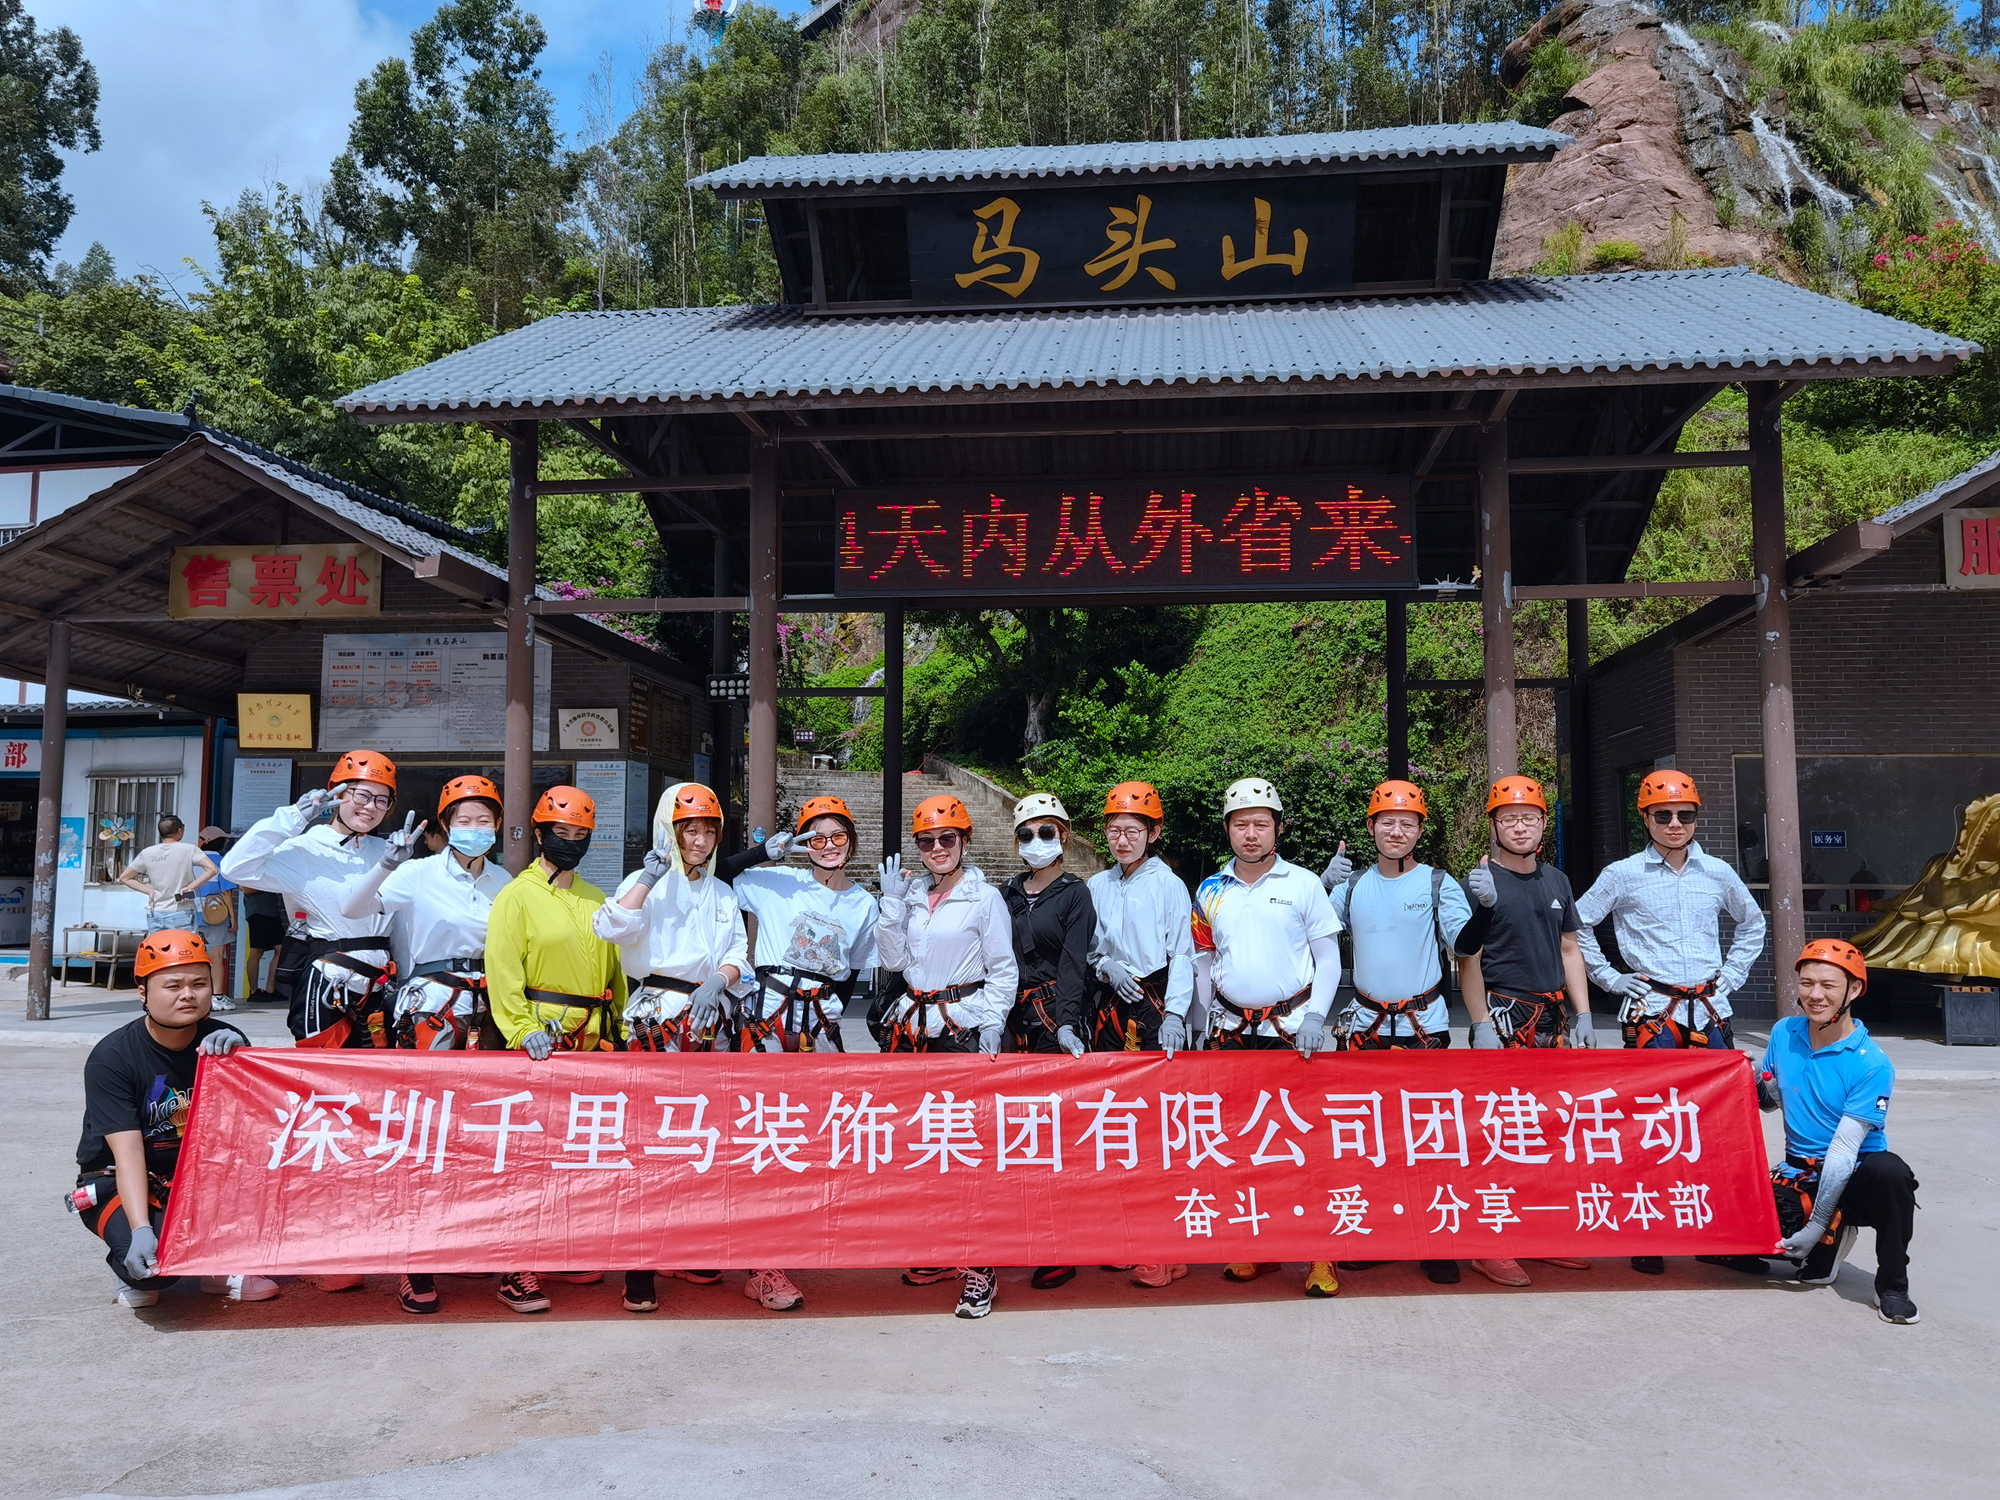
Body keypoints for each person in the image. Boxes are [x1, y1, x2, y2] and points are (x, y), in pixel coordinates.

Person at [1573, 768, 1767, 1275]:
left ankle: (1721, 1235)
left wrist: (1731, 977)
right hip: (1652, 1014)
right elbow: (1576, 923)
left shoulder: (1718, 873)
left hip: (1710, 1011)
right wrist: (1610, 978)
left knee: (1719, 1127)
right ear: (1645, 818)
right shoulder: (1622, 875)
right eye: (1664, 815)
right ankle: (1649, 1233)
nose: (1675, 823)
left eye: (1685, 814)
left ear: (1696, 817)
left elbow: (1752, 923)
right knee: (1650, 1126)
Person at [337, 775, 509, 1316]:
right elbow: (352, 908)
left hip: (491, 1010)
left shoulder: (504, 880)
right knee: (427, 1130)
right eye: (464, 820)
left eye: (484, 821)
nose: (475, 829)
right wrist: (386, 865)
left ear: (498, 826)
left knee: (486, 1130)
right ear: (445, 826)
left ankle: (483, 1248)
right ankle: (417, 1262)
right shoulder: (417, 872)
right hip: (433, 1007)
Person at [597, 784, 768, 1309]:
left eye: (709, 831)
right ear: (669, 832)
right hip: (658, 1019)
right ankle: (639, 1269)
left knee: (704, 1140)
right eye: (689, 830)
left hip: (710, 1020)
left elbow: (739, 952)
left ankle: (691, 1247)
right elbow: (611, 927)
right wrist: (647, 880)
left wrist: (720, 978)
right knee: (651, 1143)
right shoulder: (646, 882)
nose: (700, 840)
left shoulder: (722, 893)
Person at [1319, 779, 1486, 1288]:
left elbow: (1464, 946)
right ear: (1371, 827)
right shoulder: (1351, 888)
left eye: (1407, 823)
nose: (1396, 831)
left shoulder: (1437, 883)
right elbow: (1311, 936)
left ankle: (1434, 1242)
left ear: (1419, 830)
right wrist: (1321, 888)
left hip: (1423, 1028)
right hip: (1366, 1027)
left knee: (1429, 1140)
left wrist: (1486, 909)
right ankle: (1377, 1238)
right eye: (1387, 822)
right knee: (1369, 1141)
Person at [72, 929, 277, 1309]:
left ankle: (220, 1269)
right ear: (143, 992)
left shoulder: (224, 1040)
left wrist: (243, 1060)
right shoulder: (112, 1058)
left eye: (199, 984)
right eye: (173, 986)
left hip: (200, 1176)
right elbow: (129, 1153)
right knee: (157, 1272)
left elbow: (247, 1130)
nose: (188, 995)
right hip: (120, 1177)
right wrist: (140, 1229)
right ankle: (130, 1259)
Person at [1193, 776, 1342, 1298]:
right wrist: (1199, 1021)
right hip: (1232, 1031)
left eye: (1261, 823)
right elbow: (1204, 961)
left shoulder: (1303, 883)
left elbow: (1328, 958)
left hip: (1292, 1031)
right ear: (1227, 830)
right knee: (1241, 1142)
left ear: (1278, 828)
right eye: (1241, 824)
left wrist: (1317, 1017)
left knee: (1305, 1144)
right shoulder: (1210, 890)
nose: (1251, 833)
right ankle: (1255, 1244)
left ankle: (1321, 1255)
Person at [485, 785, 629, 1315]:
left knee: (579, 1152)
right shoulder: (517, 896)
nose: (570, 842)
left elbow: (614, 973)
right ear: (540, 834)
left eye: (579, 834)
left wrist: (620, 1027)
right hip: (540, 1043)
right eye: (561, 832)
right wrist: (522, 1029)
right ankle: (515, 1266)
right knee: (527, 1158)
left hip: (591, 1041)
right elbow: (502, 970)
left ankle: (564, 1248)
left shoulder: (596, 897)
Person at [875, 793, 1018, 1320]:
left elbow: (1003, 967)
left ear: (964, 841)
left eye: (947, 838)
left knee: (968, 1148)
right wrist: (892, 905)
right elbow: (893, 960)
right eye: (926, 841)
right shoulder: (914, 896)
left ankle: (981, 1267)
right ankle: (939, 1247)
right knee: (925, 1143)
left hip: (961, 1027)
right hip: (915, 1028)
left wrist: (993, 1021)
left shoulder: (985, 898)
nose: (937, 848)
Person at [1452, 775, 1595, 1289]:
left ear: (1542, 824)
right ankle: (1491, 1245)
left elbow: (1569, 949)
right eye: (1509, 819)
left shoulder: (1557, 881)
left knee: (1547, 1132)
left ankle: (1538, 1233)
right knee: (1499, 1135)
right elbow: (1468, 959)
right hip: (1505, 1017)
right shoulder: (1480, 883)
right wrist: (1480, 1023)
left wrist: (1583, 1013)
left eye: (1529, 818)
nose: (1519, 827)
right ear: (1493, 826)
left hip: (1553, 1021)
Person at [1748, 939, 1918, 1322]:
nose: (1815, 995)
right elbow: (1771, 1101)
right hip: (1800, 1172)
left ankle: (1893, 1286)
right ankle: (1828, 1245)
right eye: (1807, 983)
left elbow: (1842, 1151)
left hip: (1853, 1174)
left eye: (1828, 985)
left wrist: (1815, 1225)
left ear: (1853, 990)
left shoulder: (1871, 1064)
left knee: (1891, 1174)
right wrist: (1750, 1075)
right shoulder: (1784, 1033)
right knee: (1725, 1242)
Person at [221, 752, 401, 1055]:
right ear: (338, 794)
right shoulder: (304, 848)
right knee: (323, 1066)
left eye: (382, 800)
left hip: (381, 984)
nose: (371, 807)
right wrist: (292, 817)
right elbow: (235, 868)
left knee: (380, 1068)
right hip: (329, 981)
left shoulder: (387, 851)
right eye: (362, 795)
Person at [1000, 793, 1093, 1291]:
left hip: (1055, 1014)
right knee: (1012, 1131)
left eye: (1046, 831)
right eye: (1027, 834)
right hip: (1011, 1016)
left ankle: (1058, 1245)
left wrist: (1067, 1022)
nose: (1036, 841)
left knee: (1054, 1132)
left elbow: (1075, 962)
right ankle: (1015, 1235)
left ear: (1064, 835)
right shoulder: (1008, 893)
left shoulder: (1075, 894)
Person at [118, 814, 217, 936]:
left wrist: (150, 891)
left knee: (159, 948)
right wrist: (190, 887)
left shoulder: (147, 852)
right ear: (179, 831)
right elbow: (212, 869)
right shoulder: (190, 849)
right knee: (183, 948)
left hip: (156, 912)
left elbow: (125, 877)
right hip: (182, 911)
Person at [192, 827, 238, 1009]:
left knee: (194, 957)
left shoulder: (192, 861)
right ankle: (217, 997)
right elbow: (226, 892)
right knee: (217, 956)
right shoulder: (221, 861)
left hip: (192, 913)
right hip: (215, 914)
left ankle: (198, 995)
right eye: (225, 840)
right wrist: (232, 916)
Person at [242, 885, 287, 1004]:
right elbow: (245, 889)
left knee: (281, 948)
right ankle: (254, 992)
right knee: (257, 951)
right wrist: (268, 884)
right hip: (258, 912)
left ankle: (270, 990)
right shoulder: (249, 873)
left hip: (272, 912)